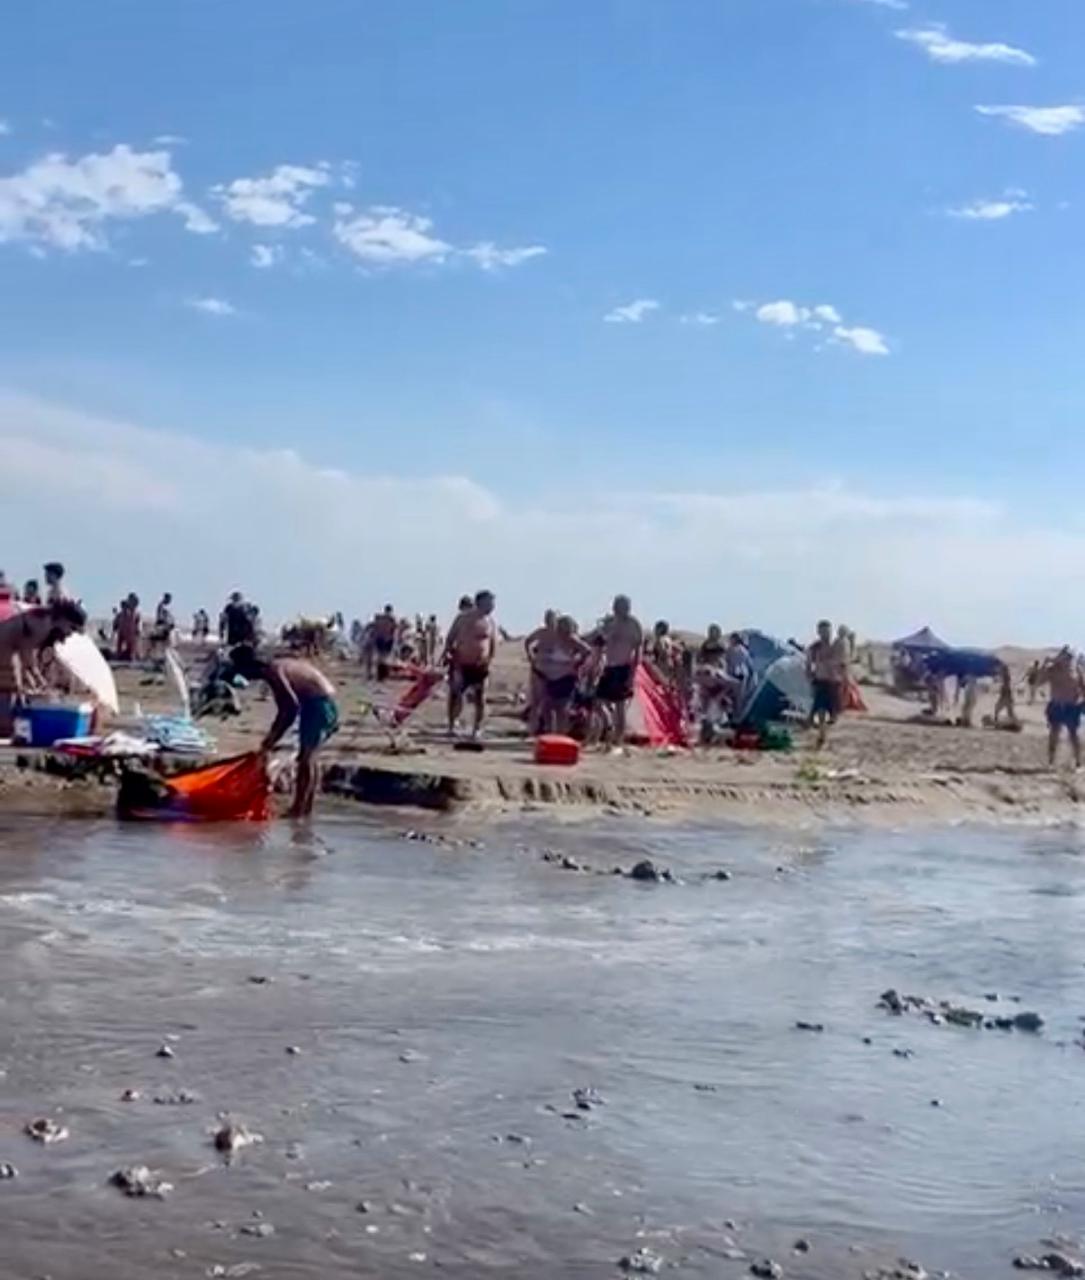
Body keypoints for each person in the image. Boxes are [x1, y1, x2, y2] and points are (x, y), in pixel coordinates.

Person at [228, 643, 339, 818]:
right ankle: (304, 810)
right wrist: (273, 736)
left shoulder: (273, 672)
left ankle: (298, 809)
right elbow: (286, 708)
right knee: (309, 758)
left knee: (306, 759)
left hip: (318, 704)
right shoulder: (278, 666)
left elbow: (290, 708)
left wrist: (271, 740)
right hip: (323, 702)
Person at [0, 601, 87, 736]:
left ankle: (8, 724)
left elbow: (26, 661)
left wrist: (38, 683)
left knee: (17, 686)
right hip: (4, 648)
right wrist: (41, 685)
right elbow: (27, 658)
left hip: (9, 649)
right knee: (9, 684)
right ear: (63, 619)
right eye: (72, 628)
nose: (70, 633)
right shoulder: (42, 625)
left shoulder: (44, 620)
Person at [443, 589, 497, 739]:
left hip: (481, 665)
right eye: (490, 602)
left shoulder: (490, 622)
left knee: (480, 697)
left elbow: (492, 643)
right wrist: (448, 653)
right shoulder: (463, 618)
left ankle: (476, 728)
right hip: (462, 663)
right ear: (481, 602)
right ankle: (451, 725)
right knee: (456, 694)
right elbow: (450, 637)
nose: (492, 606)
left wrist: (489, 660)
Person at [593, 595, 644, 747]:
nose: (618, 609)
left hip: (624, 666)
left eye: (622, 606)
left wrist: (632, 673)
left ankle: (618, 738)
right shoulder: (610, 622)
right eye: (617, 606)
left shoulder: (634, 625)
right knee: (597, 701)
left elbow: (638, 649)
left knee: (620, 704)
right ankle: (608, 725)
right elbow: (599, 640)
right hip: (609, 666)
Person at [530, 614, 590, 735]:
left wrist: (577, 663)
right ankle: (549, 732)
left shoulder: (572, 640)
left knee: (562, 709)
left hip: (565, 678)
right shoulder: (553, 638)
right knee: (547, 707)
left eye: (564, 627)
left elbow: (587, 651)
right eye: (560, 627)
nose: (561, 630)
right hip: (550, 678)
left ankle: (560, 734)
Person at [1038, 647, 1085, 768]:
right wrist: (1045, 664)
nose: (1069, 660)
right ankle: (1051, 762)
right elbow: (1038, 681)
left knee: (1073, 735)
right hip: (1057, 705)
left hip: (1072, 707)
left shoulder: (1077, 670)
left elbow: (1083, 688)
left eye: (1071, 657)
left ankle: (1078, 762)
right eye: (1066, 657)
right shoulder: (1053, 670)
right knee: (1054, 734)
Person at [806, 619, 848, 748]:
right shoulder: (815, 647)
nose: (825, 634)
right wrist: (810, 674)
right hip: (821, 680)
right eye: (823, 631)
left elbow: (843, 662)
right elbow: (808, 662)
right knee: (820, 710)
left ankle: (824, 732)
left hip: (834, 682)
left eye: (827, 631)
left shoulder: (837, 645)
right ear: (819, 632)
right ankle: (822, 735)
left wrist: (843, 676)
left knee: (834, 713)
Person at [524, 609, 558, 732]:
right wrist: (530, 655)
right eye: (547, 619)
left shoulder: (559, 635)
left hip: (554, 672)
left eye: (552, 618)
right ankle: (533, 728)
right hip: (539, 669)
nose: (549, 621)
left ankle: (550, 729)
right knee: (536, 701)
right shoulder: (541, 632)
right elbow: (528, 641)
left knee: (550, 702)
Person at [113, 593, 142, 662]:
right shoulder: (124, 611)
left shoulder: (135, 613)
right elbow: (118, 620)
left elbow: (137, 621)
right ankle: (120, 656)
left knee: (132, 646)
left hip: (130, 632)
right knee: (121, 645)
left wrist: (138, 629)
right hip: (124, 631)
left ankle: (131, 656)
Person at [992, 661, 1018, 728]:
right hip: (1007, 695)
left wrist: (1003, 695)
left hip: (1005, 695)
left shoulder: (1005, 676)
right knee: (1009, 710)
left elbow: (1005, 686)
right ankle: (1014, 722)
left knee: (997, 708)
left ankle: (996, 721)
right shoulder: (1006, 676)